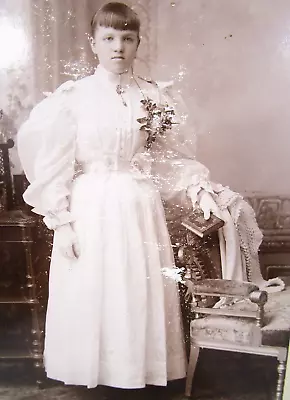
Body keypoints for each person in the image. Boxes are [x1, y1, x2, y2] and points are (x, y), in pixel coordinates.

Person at [17, 1, 284, 396]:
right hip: (91, 204)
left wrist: (199, 187)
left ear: (138, 42)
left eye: (127, 38)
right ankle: (97, 378)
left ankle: (137, 375)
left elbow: (174, 158)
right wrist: (62, 222)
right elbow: (53, 167)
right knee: (96, 288)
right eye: (108, 38)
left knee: (135, 287)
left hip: (140, 203)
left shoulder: (154, 96)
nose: (118, 47)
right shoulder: (74, 98)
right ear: (94, 44)